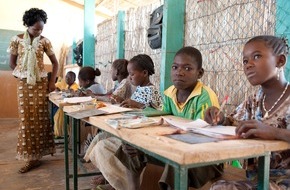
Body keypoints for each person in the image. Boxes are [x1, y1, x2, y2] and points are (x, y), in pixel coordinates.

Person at [117, 46, 223, 190]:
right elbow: (161, 118)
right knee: (130, 148)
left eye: (187, 68)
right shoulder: (169, 93)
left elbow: (203, 136)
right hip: (175, 147)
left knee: (177, 160)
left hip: (206, 157)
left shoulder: (205, 96)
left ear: (200, 73)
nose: (179, 72)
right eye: (175, 67)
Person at [204, 35, 290, 190]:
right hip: (259, 179)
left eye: (256, 56)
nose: (248, 65)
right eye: (245, 61)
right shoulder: (255, 100)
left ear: (280, 61)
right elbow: (233, 121)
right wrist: (219, 117)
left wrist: (275, 133)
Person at [87, 54, 162, 190]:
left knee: (108, 146)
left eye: (132, 74)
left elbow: (160, 112)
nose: (130, 77)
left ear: (145, 73)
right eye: (128, 74)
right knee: (102, 141)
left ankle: (119, 183)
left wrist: (140, 107)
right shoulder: (140, 89)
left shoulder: (151, 90)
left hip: (144, 135)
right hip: (133, 130)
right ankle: (114, 181)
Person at [8, 8, 58, 173]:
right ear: (27, 25)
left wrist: (51, 82)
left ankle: (37, 157)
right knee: (26, 120)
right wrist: (21, 75)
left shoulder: (45, 41)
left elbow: (55, 63)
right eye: (36, 29)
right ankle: (30, 157)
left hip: (40, 83)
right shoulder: (16, 40)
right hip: (23, 84)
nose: (38, 32)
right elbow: (12, 63)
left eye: (41, 29)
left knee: (41, 118)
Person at [53, 71, 79, 137]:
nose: (67, 78)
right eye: (66, 77)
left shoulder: (75, 86)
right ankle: (61, 132)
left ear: (74, 79)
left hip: (72, 107)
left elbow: (71, 92)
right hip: (67, 104)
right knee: (56, 113)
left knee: (57, 114)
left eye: (70, 77)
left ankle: (62, 133)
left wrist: (62, 91)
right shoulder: (68, 85)